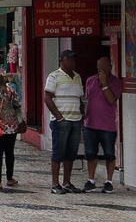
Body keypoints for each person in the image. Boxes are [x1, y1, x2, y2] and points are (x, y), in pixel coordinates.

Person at [44, 49, 84, 194]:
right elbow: (47, 98)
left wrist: (82, 114)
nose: (73, 62)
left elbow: (80, 98)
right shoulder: (54, 76)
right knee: (58, 152)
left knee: (71, 153)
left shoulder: (78, 77)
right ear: (62, 60)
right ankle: (55, 183)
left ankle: (67, 182)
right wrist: (59, 116)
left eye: (74, 59)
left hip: (75, 119)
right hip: (62, 120)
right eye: (70, 59)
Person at [82, 57, 123, 194]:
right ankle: (91, 180)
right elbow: (87, 100)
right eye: (99, 66)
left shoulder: (116, 82)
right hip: (90, 123)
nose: (101, 69)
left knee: (109, 154)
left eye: (104, 66)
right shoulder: (90, 80)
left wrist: (105, 84)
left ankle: (109, 181)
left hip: (107, 125)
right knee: (90, 153)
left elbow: (112, 99)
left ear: (110, 66)